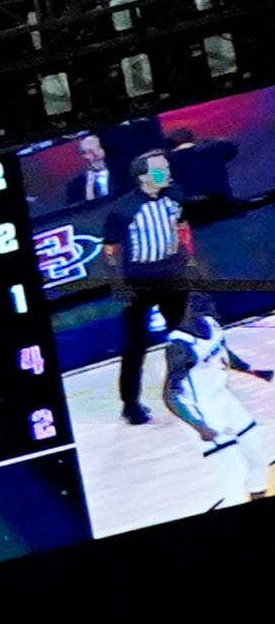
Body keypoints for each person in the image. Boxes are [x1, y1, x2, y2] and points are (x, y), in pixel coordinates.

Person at [104, 149, 202, 424]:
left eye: (167, 168)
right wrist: (118, 283)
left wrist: (189, 258)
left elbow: (182, 226)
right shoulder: (123, 209)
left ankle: (193, 386)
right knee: (135, 344)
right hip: (139, 282)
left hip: (172, 274)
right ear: (143, 177)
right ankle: (130, 404)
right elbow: (110, 250)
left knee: (185, 334)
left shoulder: (175, 194)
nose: (168, 173)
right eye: (160, 170)